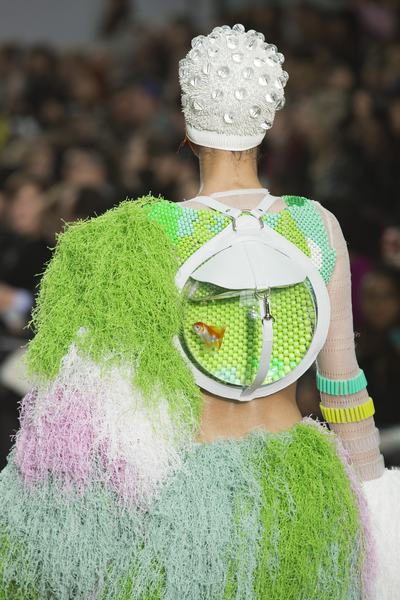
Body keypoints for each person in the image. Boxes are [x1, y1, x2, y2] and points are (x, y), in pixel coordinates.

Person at [0, 24, 399, 600]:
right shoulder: (316, 224)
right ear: (268, 125)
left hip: (195, 511)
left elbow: (97, 412)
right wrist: (378, 508)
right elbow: (343, 388)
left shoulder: (145, 233)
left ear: (187, 130)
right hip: (307, 499)